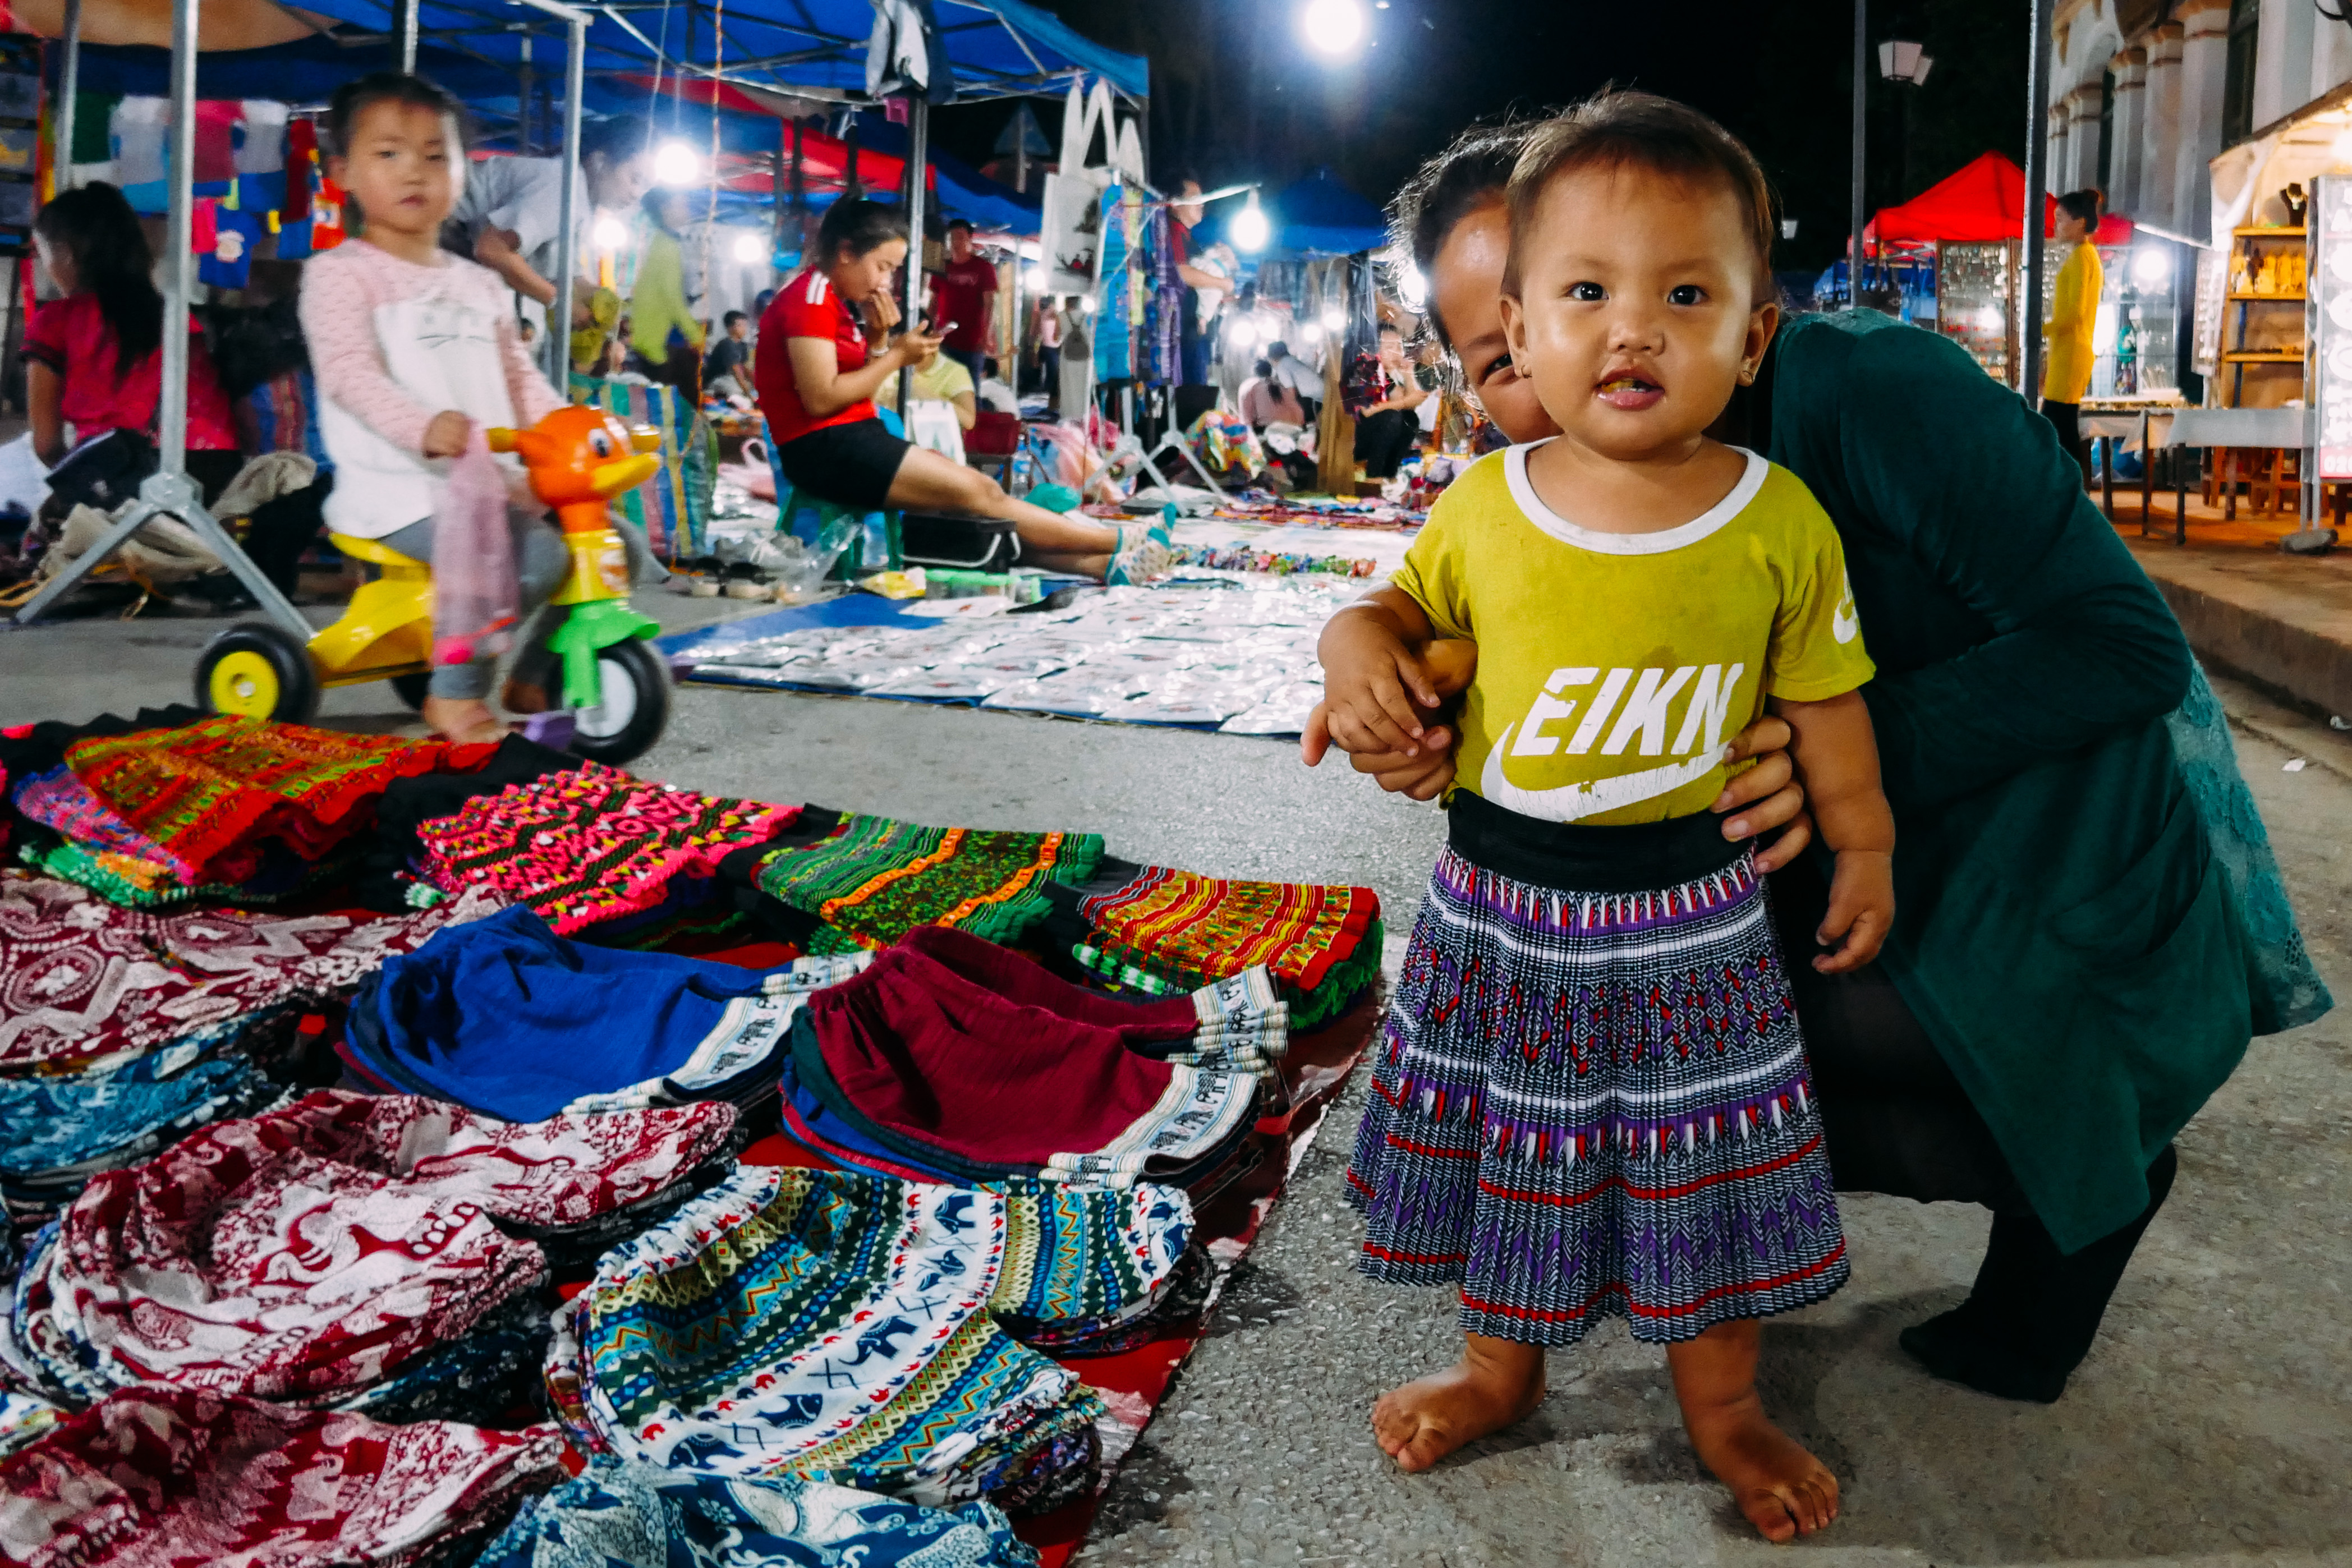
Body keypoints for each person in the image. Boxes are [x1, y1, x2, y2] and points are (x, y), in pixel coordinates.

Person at [1320, 103, 2314, 1442]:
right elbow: (1490, 681)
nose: (1604, 347)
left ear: (1743, 317)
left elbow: (2121, 645)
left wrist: (1838, 759)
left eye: (1661, 289)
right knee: (1561, 1028)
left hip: (2031, 861)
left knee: (1709, 1069)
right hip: (1787, 862)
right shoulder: (1524, 499)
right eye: (1512, 347)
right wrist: (1389, 695)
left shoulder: (1865, 395)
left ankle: (2079, 1151)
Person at [1318, 94, 1887, 1544]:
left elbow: (1828, 698)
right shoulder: (1484, 504)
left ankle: (1727, 1408)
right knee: (1522, 1152)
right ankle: (1501, 1371)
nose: (1631, 330)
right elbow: (1396, 608)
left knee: (1703, 1168)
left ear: (1751, 338)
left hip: (1697, 921)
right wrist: (1354, 647)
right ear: (1518, 328)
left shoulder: (1777, 519)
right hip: (1503, 916)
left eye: (1684, 298)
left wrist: (1863, 840)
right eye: (1584, 297)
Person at [302, 72, 651, 746]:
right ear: (342, 171)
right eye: (390, 154)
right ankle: (453, 692)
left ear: (466, 172)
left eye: (437, 155)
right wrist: (421, 425)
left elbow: (517, 374)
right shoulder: (341, 274)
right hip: (401, 489)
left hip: (491, 478)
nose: (416, 172)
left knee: (617, 545)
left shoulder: (476, 283)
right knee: (532, 561)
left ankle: (535, 676)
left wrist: (572, 429)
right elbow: (348, 374)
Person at [757, 200, 1165, 583]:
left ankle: (1103, 565)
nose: (887, 282)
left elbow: (852, 388)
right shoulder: (810, 300)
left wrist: (879, 339)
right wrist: (895, 356)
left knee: (968, 511)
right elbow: (822, 398)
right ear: (846, 252)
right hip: (826, 450)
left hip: (852, 438)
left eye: (892, 271)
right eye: (883, 267)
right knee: (981, 491)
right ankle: (1117, 541)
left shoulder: (835, 303)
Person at [26, 183, 242, 499]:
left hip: (126, 476)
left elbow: (46, 445)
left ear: (67, 256)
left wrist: (84, 485)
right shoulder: (176, 314)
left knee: (45, 539)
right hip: (216, 475)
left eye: (43, 254)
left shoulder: (57, 319)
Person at [453, 113, 654, 338]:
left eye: (646, 187)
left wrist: (613, 311)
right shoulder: (563, 185)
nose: (637, 195)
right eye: (635, 179)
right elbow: (491, 249)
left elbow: (567, 278)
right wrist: (558, 302)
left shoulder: (583, 205)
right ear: (600, 162)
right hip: (437, 233)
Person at [2041, 189, 2103, 490]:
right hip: (2068, 352)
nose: (2056, 226)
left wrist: (2039, 330)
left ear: (2080, 222)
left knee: (2057, 426)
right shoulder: (2086, 256)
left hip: (2070, 353)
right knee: (2058, 425)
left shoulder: (2082, 258)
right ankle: (2068, 491)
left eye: (2061, 219)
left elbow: (2074, 315)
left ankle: (2069, 492)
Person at [627, 186, 705, 390]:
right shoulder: (666, 246)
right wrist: (696, 336)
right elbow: (672, 298)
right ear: (665, 209)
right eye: (682, 204)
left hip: (652, 340)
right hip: (656, 344)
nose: (687, 209)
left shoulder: (661, 242)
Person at [875, 313, 977, 431]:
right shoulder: (884, 365)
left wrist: (918, 393)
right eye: (894, 349)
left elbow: (968, 421)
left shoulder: (953, 372)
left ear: (928, 339)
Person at [1352, 323, 1428, 480]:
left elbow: (1408, 404)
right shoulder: (1366, 370)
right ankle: (1374, 477)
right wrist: (1406, 401)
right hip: (1351, 441)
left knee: (1410, 419)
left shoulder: (1386, 376)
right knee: (1391, 417)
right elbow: (1368, 410)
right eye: (1390, 347)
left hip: (1372, 438)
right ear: (1375, 349)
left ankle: (1389, 475)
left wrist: (1408, 375)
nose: (1397, 353)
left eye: (1400, 347)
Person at [928, 218, 996, 386]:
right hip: (944, 339)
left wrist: (986, 335)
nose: (956, 242)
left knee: (970, 388)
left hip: (972, 341)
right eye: (952, 238)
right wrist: (929, 328)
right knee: (944, 387)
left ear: (970, 239)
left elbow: (989, 304)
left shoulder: (983, 268)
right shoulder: (942, 268)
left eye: (960, 237)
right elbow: (934, 302)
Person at [1239, 356, 1306, 429]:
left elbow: (1247, 419)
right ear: (1271, 371)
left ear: (1254, 372)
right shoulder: (1278, 385)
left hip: (1266, 430)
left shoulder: (1248, 386)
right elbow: (1297, 410)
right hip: (1291, 427)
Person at [1265, 339, 1321, 421]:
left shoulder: (1282, 367)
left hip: (1316, 399)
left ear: (1272, 357)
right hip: (1321, 394)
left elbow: (1292, 391)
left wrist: (1288, 410)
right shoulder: (1291, 360)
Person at [704, 310, 753, 398]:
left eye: (745, 325)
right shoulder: (727, 345)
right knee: (738, 390)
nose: (744, 329)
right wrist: (749, 395)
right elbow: (736, 371)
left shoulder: (743, 345)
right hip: (717, 381)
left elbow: (746, 369)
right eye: (740, 325)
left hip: (731, 379)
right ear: (730, 328)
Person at [1036, 296, 1064, 411]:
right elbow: (1057, 334)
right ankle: (1050, 394)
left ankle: (1047, 391)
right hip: (1053, 347)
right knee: (1053, 372)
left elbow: (1039, 332)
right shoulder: (1055, 315)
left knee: (1049, 371)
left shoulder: (1042, 315)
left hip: (1046, 346)